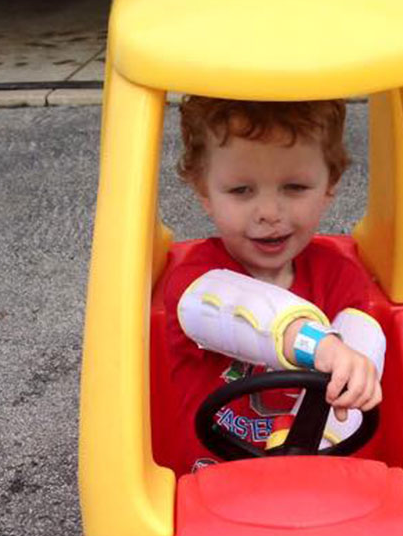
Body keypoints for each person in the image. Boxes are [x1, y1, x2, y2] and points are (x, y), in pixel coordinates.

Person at [163, 97, 386, 474]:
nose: (269, 212)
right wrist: (317, 346)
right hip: (211, 487)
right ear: (205, 193)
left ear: (329, 186)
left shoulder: (340, 276)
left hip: (313, 473)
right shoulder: (196, 280)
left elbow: (362, 336)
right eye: (241, 191)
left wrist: (354, 366)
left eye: (295, 187)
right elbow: (226, 309)